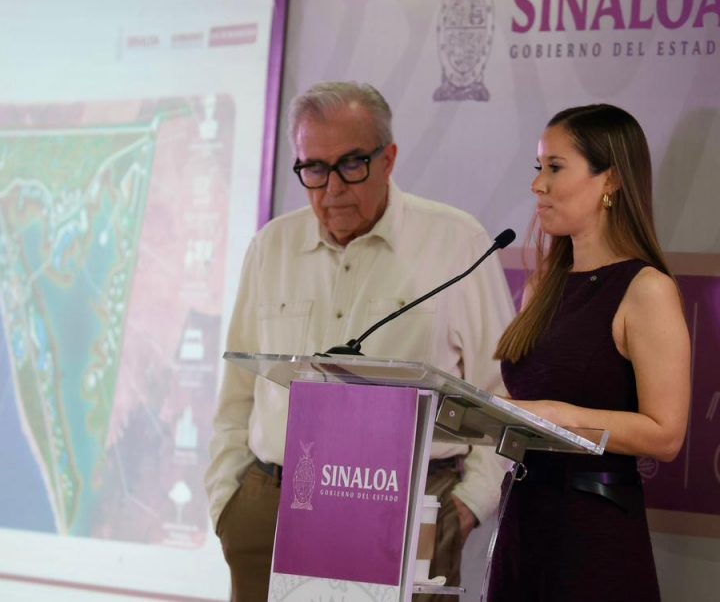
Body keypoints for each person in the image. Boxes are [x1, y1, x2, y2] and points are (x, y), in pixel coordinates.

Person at [205, 81, 516, 601]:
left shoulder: (456, 242)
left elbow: (501, 390)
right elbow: (238, 392)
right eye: (313, 168)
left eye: (351, 164)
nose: (332, 188)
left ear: (388, 159)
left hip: (403, 510)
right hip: (272, 504)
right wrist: (227, 503)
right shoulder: (271, 246)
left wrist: (468, 505)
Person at [487, 104, 691, 601]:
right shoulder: (543, 286)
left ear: (611, 181)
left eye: (555, 168)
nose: (538, 185)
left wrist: (559, 416)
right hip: (523, 521)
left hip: (594, 534)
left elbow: (666, 434)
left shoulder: (646, 289)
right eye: (539, 167)